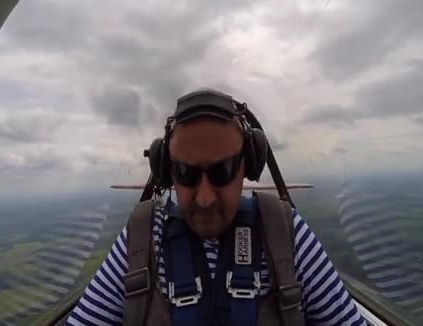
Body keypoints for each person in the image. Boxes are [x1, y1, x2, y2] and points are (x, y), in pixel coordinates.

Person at [66, 89, 366, 326]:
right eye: (186, 173)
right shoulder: (141, 241)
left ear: (248, 165)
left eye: (222, 170)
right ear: (167, 171)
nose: (205, 198)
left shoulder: (286, 235)